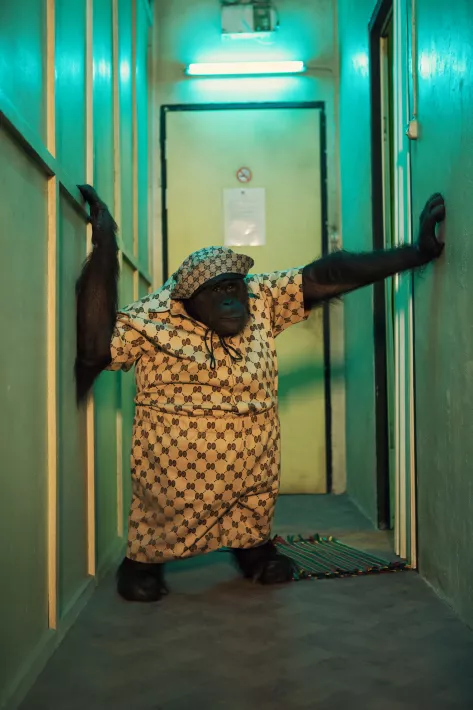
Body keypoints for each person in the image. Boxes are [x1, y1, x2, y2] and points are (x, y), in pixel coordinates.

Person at [75, 185, 446, 602]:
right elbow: (93, 349)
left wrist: (416, 252)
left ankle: (253, 550)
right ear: (188, 300)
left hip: (254, 462)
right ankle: (143, 562)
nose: (232, 302)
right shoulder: (154, 317)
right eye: (217, 293)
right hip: (175, 473)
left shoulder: (260, 296)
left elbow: (327, 275)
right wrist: (105, 249)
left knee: (253, 507)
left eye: (233, 289)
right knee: (163, 514)